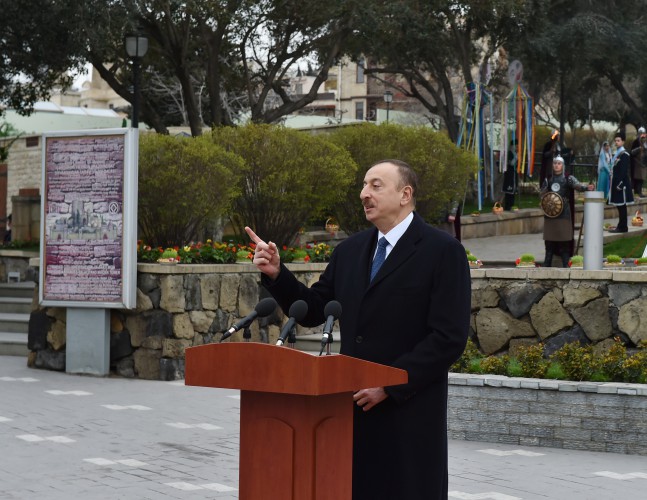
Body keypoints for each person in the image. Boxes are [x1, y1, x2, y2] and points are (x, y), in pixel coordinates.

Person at [245, 159, 471, 500]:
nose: (365, 193)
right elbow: (314, 309)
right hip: (351, 412)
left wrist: (390, 385)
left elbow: (448, 337)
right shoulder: (350, 251)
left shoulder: (442, 251)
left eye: (376, 185)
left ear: (405, 194)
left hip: (408, 415)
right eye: (364, 185)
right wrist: (278, 273)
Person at [541, 155, 593, 267]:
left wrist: (586, 188)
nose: (556, 165)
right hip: (550, 213)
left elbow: (577, 186)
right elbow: (542, 194)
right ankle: (547, 262)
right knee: (549, 241)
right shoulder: (548, 179)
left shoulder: (568, 178)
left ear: (563, 165)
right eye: (555, 163)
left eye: (559, 163)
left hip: (564, 213)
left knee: (564, 240)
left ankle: (566, 263)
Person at [608, 130, 634, 233]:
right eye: (615, 140)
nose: (616, 142)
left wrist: (620, 184)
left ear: (623, 141)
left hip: (621, 184)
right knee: (619, 206)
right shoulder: (618, 154)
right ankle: (621, 226)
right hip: (616, 183)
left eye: (618, 140)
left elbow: (623, 171)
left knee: (622, 206)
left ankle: (623, 227)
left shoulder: (624, 154)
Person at [630, 127, 647, 197]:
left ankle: (639, 192)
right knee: (638, 178)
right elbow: (632, 152)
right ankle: (638, 192)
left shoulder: (645, 142)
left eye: (643, 133)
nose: (642, 135)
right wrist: (639, 148)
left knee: (642, 178)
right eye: (641, 133)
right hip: (637, 163)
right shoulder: (636, 142)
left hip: (643, 162)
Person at [502, 139, 518, 210]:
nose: (516, 147)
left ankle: (512, 205)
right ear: (512, 146)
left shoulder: (515, 153)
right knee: (509, 190)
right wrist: (516, 157)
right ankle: (507, 206)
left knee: (513, 190)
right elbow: (511, 163)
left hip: (514, 173)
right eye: (515, 145)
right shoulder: (509, 153)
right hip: (509, 173)